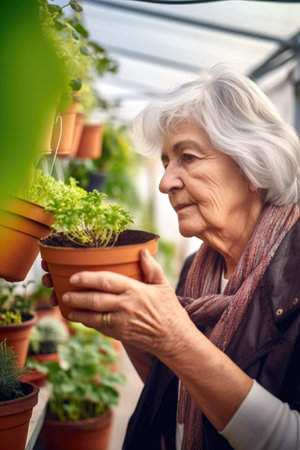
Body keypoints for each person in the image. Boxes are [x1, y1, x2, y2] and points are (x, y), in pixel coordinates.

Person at [42, 64, 300, 449]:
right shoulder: (198, 266)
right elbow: (178, 396)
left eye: (188, 158)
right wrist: (129, 331)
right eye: (165, 162)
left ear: (253, 165)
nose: (166, 182)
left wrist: (176, 338)